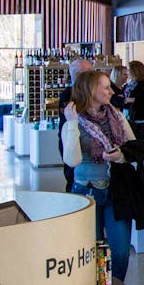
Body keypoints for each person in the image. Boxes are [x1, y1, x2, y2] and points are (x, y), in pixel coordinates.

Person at [61, 70, 135, 283]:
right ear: (91, 90)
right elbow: (72, 161)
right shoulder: (72, 122)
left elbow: (133, 148)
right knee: (91, 251)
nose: (111, 91)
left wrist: (121, 156)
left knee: (120, 251)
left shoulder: (117, 117)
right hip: (86, 191)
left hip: (116, 189)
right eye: (105, 87)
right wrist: (73, 124)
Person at [58, 58, 93, 191]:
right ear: (78, 74)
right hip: (71, 140)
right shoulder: (68, 94)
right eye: (90, 72)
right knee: (72, 176)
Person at [124, 60, 144, 144]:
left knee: (140, 144)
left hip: (142, 118)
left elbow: (142, 100)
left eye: (129, 70)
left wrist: (127, 99)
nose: (127, 72)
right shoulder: (129, 85)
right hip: (130, 117)